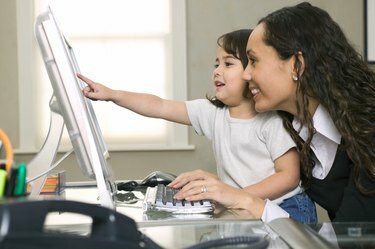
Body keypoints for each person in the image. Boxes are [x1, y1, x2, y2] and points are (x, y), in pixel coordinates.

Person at [78, 29, 316, 224]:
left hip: (287, 208)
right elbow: (158, 106)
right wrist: (112, 94)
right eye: (216, 63)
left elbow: (289, 177)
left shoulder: (271, 120)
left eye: (228, 63)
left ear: (250, 73)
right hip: (246, 205)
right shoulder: (212, 113)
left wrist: (237, 197)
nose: (217, 71)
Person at [174, 2, 375, 222]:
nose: (245, 75)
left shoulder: (367, 135)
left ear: (296, 65)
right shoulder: (292, 128)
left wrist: (247, 201)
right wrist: (220, 185)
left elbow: (353, 236)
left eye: (253, 61)